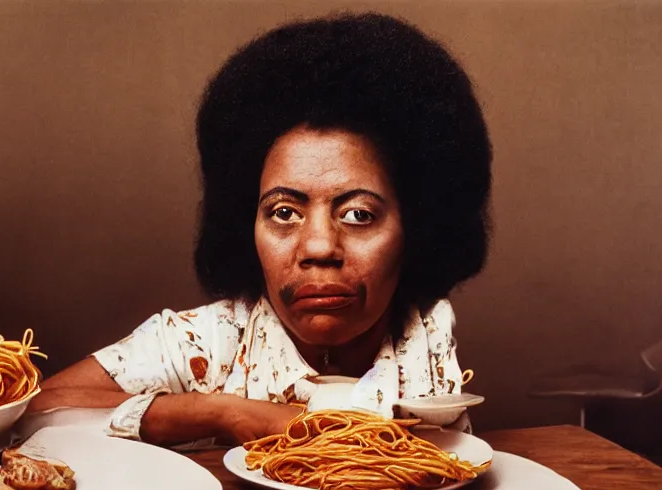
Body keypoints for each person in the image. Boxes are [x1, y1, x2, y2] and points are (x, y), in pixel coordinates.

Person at [27, 12, 491, 449]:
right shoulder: (208, 339)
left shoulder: (427, 332)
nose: (319, 247)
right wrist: (215, 413)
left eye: (358, 215)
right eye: (285, 213)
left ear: (415, 226)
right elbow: (33, 411)